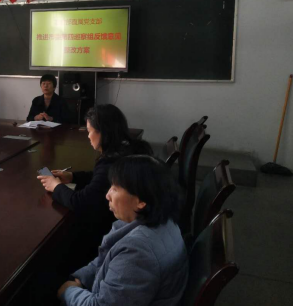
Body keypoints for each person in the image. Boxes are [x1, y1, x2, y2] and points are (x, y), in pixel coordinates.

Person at [58, 155, 188, 306]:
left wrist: (68, 292)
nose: (107, 195)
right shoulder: (161, 219)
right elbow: (104, 259)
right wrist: (81, 279)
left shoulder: (138, 253)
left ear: (141, 201)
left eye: (115, 188)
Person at [37, 104, 153, 260]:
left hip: (105, 228)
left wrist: (55, 186)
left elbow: (82, 202)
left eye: (89, 131)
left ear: (103, 133)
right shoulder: (128, 148)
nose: (88, 136)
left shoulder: (110, 162)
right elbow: (102, 179)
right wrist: (72, 177)